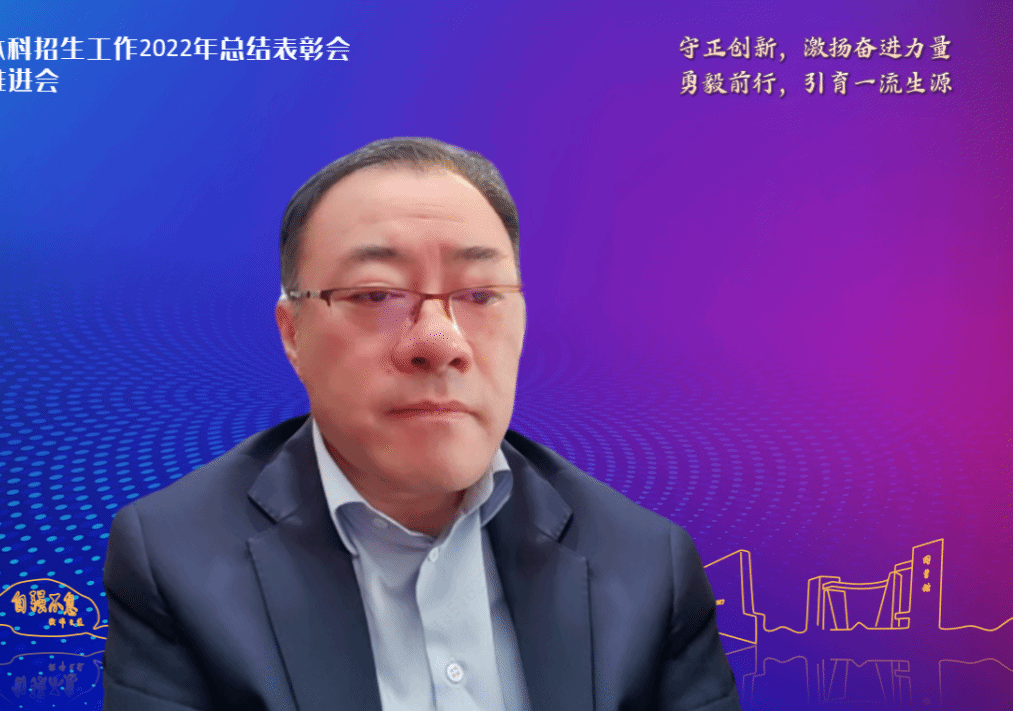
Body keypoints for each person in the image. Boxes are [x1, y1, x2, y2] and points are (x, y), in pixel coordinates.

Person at [102, 137, 741, 711]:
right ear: (293, 333)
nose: (440, 343)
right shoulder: (176, 557)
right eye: (377, 294)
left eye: (481, 295)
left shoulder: (646, 562)